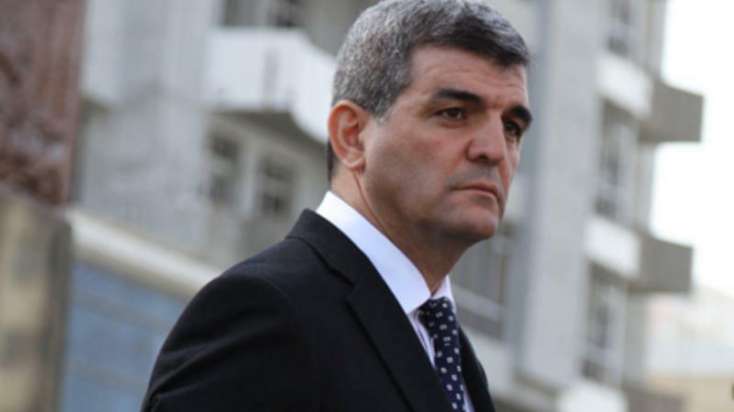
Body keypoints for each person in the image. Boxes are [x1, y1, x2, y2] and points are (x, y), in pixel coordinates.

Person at [141, 0, 531, 411]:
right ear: (352, 135)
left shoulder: (451, 354)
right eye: (454, 113)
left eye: (511, 127)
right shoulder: (265, 311)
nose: (494, 150)